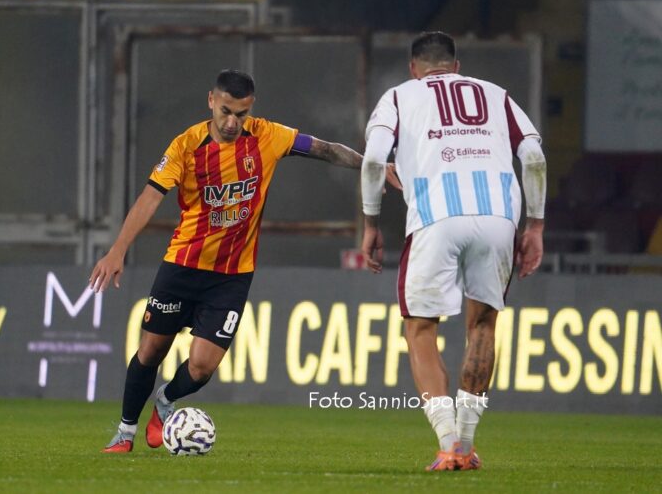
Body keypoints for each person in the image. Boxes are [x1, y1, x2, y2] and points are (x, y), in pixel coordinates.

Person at [90, 69, 369, 453]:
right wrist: (118, 249)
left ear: (250, 107)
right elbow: (150, 197)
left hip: (232, 276)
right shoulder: (186, 145)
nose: (232, 122)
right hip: (182, 266)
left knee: (202, 366)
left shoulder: (268, 136)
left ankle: (166, 401)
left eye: (241, 113)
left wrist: (373, 166)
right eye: (225, 111)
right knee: (152, 350)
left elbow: (326, 149)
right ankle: (125, 433)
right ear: (211, 101)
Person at [360, 31, 546, 471]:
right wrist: (535, 226)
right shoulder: (497, 95)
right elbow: (534, 158)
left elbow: (373, 160)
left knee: (420, 328)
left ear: (414, 68)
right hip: (498, 217)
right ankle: (466, 444)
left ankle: (447, 443)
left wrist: (371, 223)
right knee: (482, 325)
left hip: (436, 217)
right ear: (456, 67)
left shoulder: (399, 96)